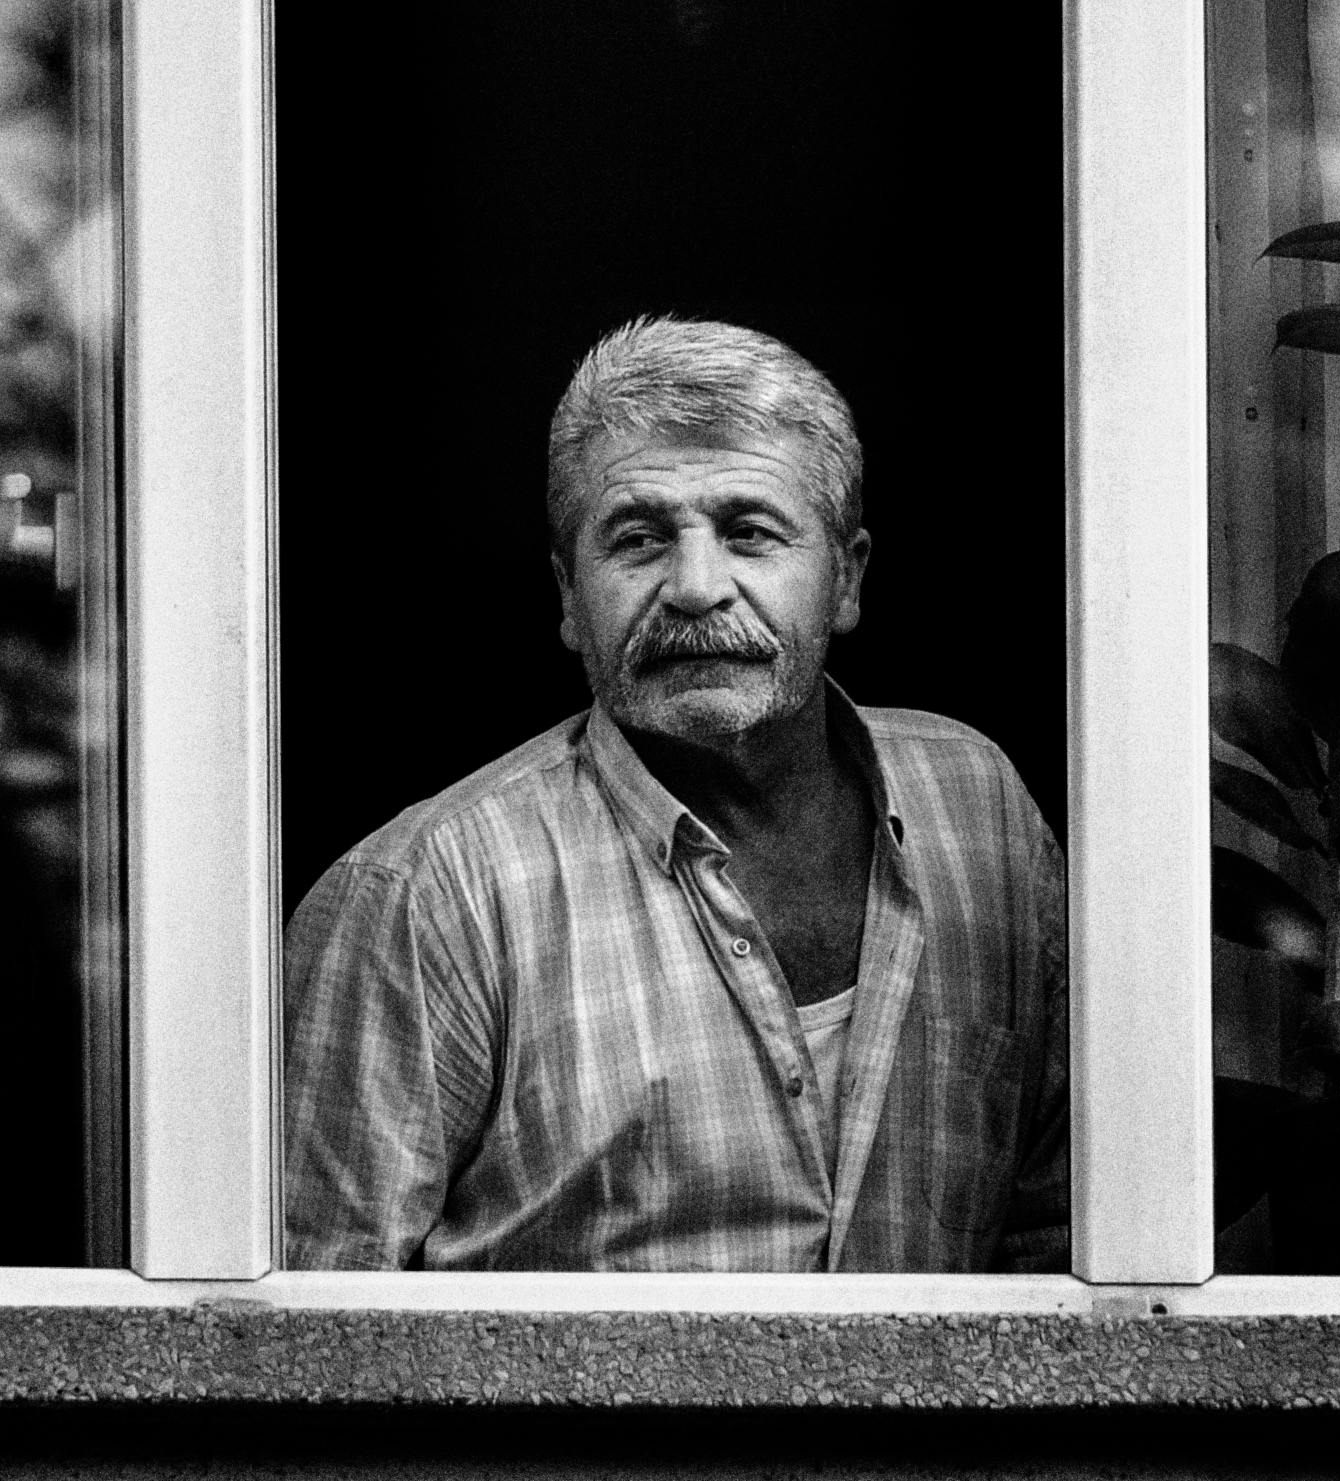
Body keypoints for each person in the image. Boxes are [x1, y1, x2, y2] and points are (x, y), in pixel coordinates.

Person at [282, 316, 1067, 1271]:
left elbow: (1058, 1232)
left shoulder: (977, 809)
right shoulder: (424, 893)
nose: (697, 587)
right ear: (570, 599)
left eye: (749, 531)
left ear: (847, 578)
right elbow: (313, 1339)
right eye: (640, 538)